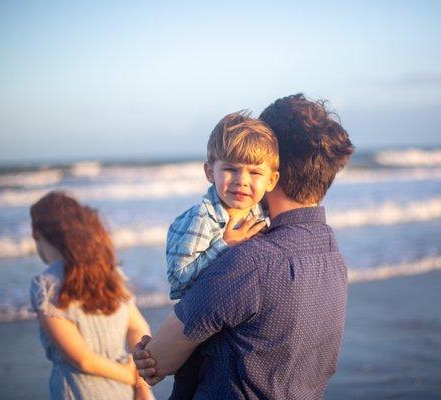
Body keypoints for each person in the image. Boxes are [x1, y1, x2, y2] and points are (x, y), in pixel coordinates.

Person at [134, 93, 354, 399]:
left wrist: (151, 354)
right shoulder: (333, 256)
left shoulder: (251, 259)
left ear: (274, 170)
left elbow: (158, 361)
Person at [164, 111, 280, 398]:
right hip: (197, 334)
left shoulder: (258, 211)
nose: (241, 181)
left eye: (254, 172)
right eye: (230, 169)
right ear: (209, 172)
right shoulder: (199, 220)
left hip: (232, 331)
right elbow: (178, 281)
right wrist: (224, 245)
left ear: (271, 180)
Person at [30, 191, 154, 400]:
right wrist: (140, 383)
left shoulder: (46, 285)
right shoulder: (110, 274)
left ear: (36, 233)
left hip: (78, 391)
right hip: (125, 393)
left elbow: (83, 360)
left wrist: (129, 377)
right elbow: (139, 330)